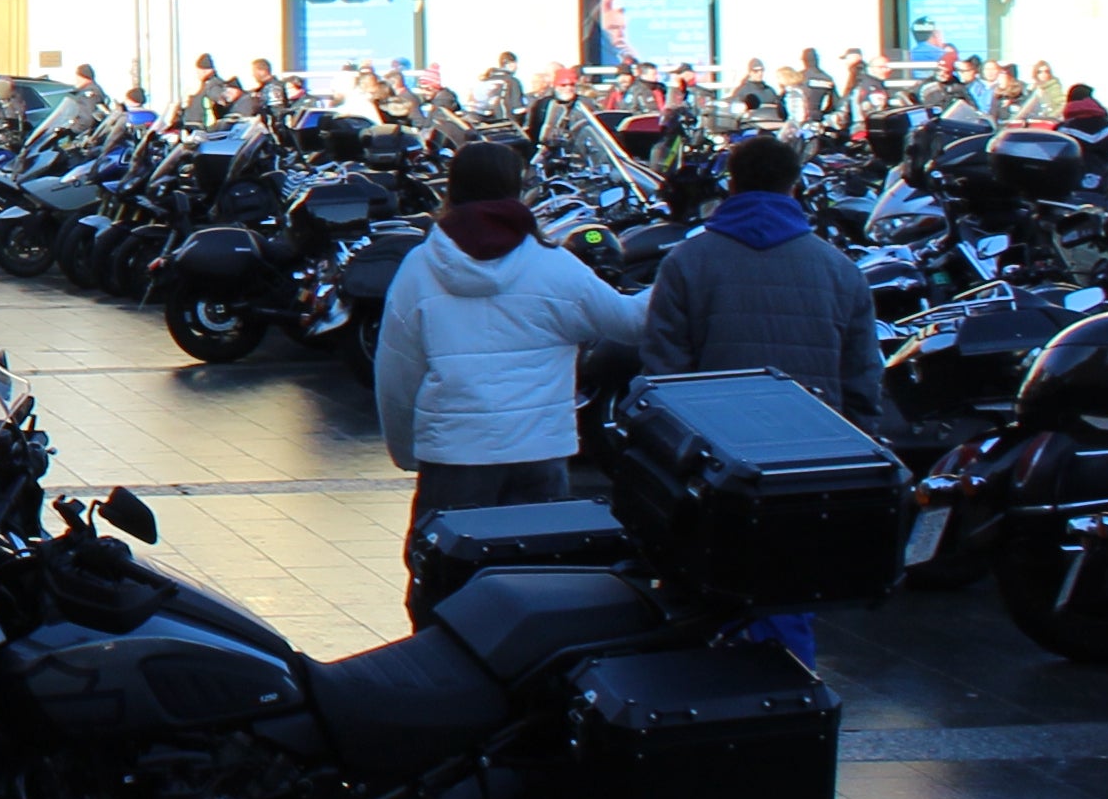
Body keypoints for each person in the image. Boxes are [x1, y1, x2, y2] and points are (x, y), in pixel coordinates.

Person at [374, 137, 648, 563]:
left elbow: (396, 373)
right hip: (539, 450)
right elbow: (630, 323)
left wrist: (407, 449)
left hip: (454, 453)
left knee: (447, 575)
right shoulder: (551, 264)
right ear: (517, 189)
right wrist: (682, 269)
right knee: (535, 575)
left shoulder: (420, 267)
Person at [642, 128, 888, 419]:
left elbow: (665, 369)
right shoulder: (840, 269)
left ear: (731, 185)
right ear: (794, 186)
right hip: (819, 442)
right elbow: (861, 374)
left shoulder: (686, 261)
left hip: (720, 440)